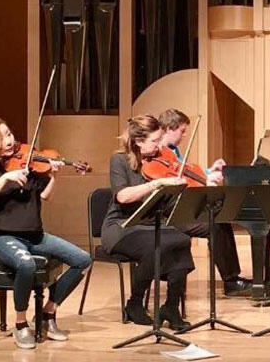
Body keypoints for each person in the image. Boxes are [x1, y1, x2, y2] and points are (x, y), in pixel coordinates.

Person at [0, 116, 91, 349]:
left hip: (34, 235)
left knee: (82, 259)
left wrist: (54, 175)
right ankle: (20, 324)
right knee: (26, 264)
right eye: (2, 137)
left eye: (9, 133)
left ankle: (47, 313)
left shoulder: (28, 163)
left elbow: (45, 196)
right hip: (3, 236)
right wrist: (6, 178)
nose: (9, 140)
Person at [101, 115, 193, 330]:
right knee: (157, 245)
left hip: (150, 224)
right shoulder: (119, 160)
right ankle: (134, 303)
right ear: (138, 141)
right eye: (155, 141)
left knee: (181, 240)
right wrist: (157, 184)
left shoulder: (158, 160)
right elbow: (123, 196)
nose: (159, 145)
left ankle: (171, 307)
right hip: (121, 226)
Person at [157, 109, 251, 296]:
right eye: (182, 131)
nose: (184, 135)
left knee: (221, 219)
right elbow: (176, 179)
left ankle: (232, 278)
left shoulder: (172, 152)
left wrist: (208, 172)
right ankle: (231, 281)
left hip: (183, 205)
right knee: (214, 224)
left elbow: (187, 172)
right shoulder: (158, 154)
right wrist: (206, 180)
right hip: (169, 212)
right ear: (168, 129)